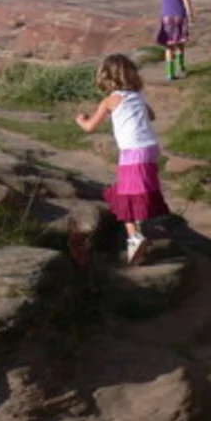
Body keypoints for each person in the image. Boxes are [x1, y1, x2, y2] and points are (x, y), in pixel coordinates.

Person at [75, 53, 170, 264]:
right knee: (138, 191)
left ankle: (134, 237)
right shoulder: (137, 97)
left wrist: (81, 119)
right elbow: (152, 116)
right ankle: (139, 230)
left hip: (132, 152)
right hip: (150, 149)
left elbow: (90, 127)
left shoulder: (110, 100)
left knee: (126, 195)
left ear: (106, 77)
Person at [152, 0, 194, 80]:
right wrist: (190, 14)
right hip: (179, 16)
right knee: (180, 43)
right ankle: (180, 67)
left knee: (168, 45)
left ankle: (169, 73)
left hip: (166, 17)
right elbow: (186, 1)